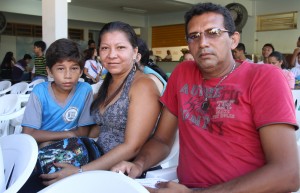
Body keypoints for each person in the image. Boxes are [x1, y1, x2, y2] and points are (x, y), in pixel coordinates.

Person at [112, 2, 299, 193]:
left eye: (214, 32)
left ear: (233, 40)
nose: (203, 43)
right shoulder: (183, 73)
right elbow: (161, 140)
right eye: (194, 36)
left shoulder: (264, 77)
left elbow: (288, 174)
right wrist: (138, 165)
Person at [39, 21, 162, 187]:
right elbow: (95, 129)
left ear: (135, 52)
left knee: (42, 181)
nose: (111, 55)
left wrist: (79, 171)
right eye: (105, 48)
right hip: (94, 155)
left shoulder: (142, 86)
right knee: (40, 162)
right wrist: (61, 143)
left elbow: (132, 147)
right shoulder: (110, 81)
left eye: (120, 48)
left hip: (119, 170)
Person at [20, 38, 95, 192]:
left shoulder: (85, 90)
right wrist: (68, 133)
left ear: (81, 71)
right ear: (49, 71)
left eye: (74, 68)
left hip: (73, 148)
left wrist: (49, 137)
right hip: (42, 149)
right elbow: (28, 134)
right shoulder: (40, 92)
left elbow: (83, 132)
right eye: (61, 69)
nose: (68, 75)